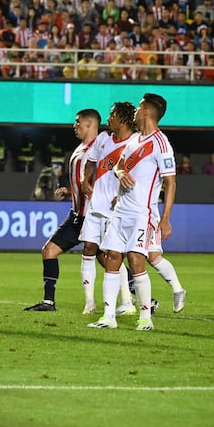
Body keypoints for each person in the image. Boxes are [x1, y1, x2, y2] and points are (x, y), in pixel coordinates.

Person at [89, 93, 176, 331]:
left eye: (139, 107)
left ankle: (146, 318)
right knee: (112, 259)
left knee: (136, 260)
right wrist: (120, 173)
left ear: (147, 111)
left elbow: (171, 182)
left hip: (141, 214)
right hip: (120, 211)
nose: (136, 111)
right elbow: (119, 165)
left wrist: (165, 218)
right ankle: (108, 317)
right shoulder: (135, 139)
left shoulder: (161, 144)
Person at [24, 108, 101, 312]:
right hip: (76, 215)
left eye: (78, 122)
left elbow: (103, 182)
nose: (74, 126)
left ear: (90, 124)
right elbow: (82, 182)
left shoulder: (100, 148)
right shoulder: (80, 149)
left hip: (93, 217)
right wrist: (70, 190)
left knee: (109, 261)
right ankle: (48, 301)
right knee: (49, 251)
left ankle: (145, 298)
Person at [79, 102, 139, 314]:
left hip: (118, 209)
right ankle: (89, 303)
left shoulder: (136, 142)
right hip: (97, 205)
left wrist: (123, 196)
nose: (108, 119)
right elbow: (91, 161)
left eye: (112, 115)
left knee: (115, 255)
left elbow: (139, 175)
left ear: (122, 118)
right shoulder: (103, 138)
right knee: (88, 248)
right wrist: (86, 179)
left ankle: (126, 301)